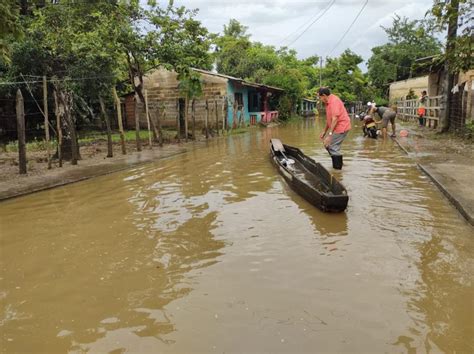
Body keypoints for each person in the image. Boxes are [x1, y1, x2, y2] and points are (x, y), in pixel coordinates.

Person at [318, 87, 351, 169]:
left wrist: (329, 135)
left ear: (324, 95)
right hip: (336, 126)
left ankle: (337, 171)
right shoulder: (328, 102)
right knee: (327, 145)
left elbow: (335, 119)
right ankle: (339, 163)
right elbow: (329, 119)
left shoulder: (334, 102)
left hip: (342, 126)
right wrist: (324, 131)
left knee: (332, 145)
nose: (319, 99)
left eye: (320, 97)